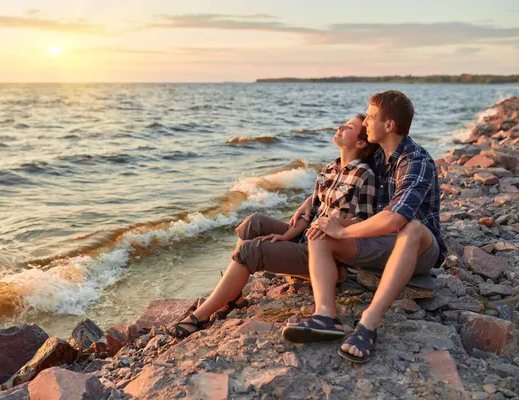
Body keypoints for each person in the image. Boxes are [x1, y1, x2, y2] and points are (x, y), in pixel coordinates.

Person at [164, 114, 379, 338]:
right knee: (253, 223)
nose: (340, 126)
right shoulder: (329, 169)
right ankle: (234, 297)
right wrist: (287, 235)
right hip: (304, 237)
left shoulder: (364, 175)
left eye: (349, 127)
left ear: (361, 142)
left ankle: (199, 318)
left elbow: (364, 224)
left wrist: (333, 225)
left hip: (325, 255)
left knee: (251, 250)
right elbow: (311, 212)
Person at [283, 90, 446, 364]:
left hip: (419, 250)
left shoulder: (416, 161)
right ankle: (325, 316)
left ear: (389, 125)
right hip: (380, 243)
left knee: (411, 228)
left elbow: (395, 218)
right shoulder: (379, 157)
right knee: (321, 229)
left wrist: (344, 231)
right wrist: (310, 202)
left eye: (370, 117)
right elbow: (342, 177)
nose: (366, 122)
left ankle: (368, 323)